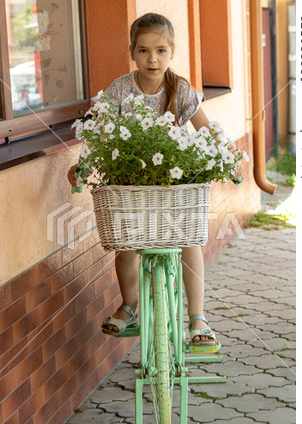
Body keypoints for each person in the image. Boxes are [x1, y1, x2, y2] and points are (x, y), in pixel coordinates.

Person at [68, 12, 242, 344]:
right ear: (132, 52)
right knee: (126, 240)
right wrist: (82, 167)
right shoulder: (120, 90)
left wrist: (231, 157)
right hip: (132, 179)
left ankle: (198, 318)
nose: (153, 58)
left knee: (189, 239)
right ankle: (129, 305)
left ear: (171, 51)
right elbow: (97, 135)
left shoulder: (181, 89)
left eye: (161, 50)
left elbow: (207, 129)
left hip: (173, 183)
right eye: (144, 50)